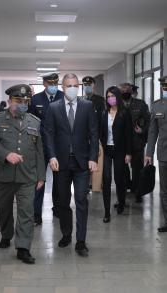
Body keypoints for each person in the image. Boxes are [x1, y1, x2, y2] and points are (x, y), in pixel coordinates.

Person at [0, 84, 45, 264]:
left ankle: (23, 247)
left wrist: (41, 175)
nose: (22, 104)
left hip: (27, 175)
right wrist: (6, 154)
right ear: (10, 101)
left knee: (26, 212)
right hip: (3, 175)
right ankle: (6, 233)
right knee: (2, 208)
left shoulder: (34, 121)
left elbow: (39, 150)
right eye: (19, 101)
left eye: (25, 101)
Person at [44, 73, 99, 257]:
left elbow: (93, 133)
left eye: (76, 85)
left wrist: (93, 158)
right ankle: (66, 234)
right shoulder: (53, 107)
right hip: (61, 162)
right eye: (69, 85)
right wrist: (51, 156)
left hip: (82, 162)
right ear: (63, 86)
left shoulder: (87, 106)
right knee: (63, 201)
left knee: (82, 200)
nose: (73, 88)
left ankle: (81, 241)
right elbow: (49, 134)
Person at [28, 73, 64, 225]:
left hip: (59, 145)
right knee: (39, 180)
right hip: (40, 145)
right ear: (44, 84)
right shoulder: (36, 100)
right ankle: (36, 214)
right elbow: (30, 122)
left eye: (55, 83)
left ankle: (58, 209)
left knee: (59, 180)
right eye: (50, 84)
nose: (53, 86)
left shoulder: (63, 97)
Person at [100, 86, 132, 223]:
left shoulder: (124, 113)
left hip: (120, 151)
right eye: (108, 96)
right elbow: (100, 131)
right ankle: (107, 212)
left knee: (119, 179)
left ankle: (121, 202)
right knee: (106, 180)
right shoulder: (103, 113)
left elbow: (129, 135)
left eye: (112, 96)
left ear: (117, 97)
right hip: (107, 150)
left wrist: (129, 153)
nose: (110, 99)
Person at [119, 83, 150, 202]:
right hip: (121, 143)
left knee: (137, 169)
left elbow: (149, 121)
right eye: (123, 90)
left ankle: (137, 191)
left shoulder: (140, 104)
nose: (125, 92)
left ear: (131, 91)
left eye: (127, 90)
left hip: (137, 142)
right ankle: (126, 188)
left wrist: (142, 130)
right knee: (123, 168)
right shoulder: (116, 104)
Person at [145, 76, 167, 233]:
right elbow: (152, 132)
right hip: (164, 154)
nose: (165, 89)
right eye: (164, 87)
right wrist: (149, 153)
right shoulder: (157, 106)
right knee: (165, 191)